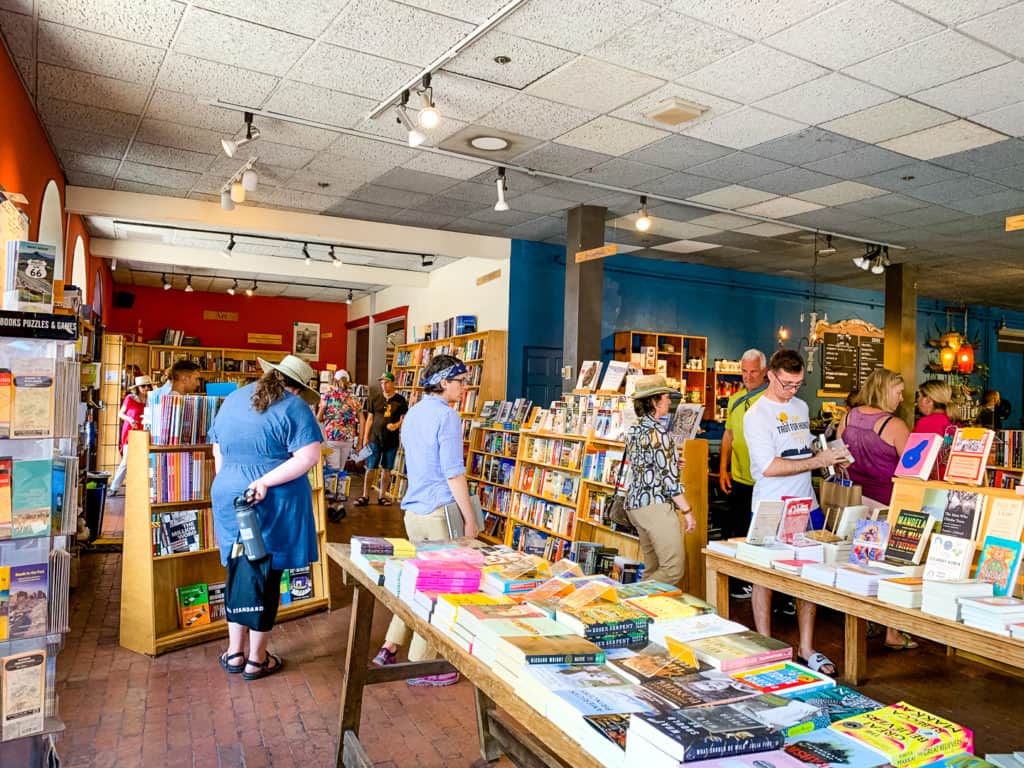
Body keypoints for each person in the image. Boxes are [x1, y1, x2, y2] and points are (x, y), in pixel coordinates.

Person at [208, 355, 322, 680]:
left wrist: (232, 481)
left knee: (238, 568)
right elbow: (309, 456)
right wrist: (263, 482)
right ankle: (256, 660)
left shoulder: (233, 399)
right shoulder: (294, 406)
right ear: (298, 388)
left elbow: (217, 448)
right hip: (273, 498)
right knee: (266, 575)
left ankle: (234, 653)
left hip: (229, 492)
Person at [371, 354, 479, 687]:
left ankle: (391, 644)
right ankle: (422, 663)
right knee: (441, 590)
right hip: (439, 511)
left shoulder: (414, 412)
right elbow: (453, 473)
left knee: (418, 582)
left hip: (413, 511)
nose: (465, 387)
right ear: (444, 382)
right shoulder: (447, 416)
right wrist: (470, 519)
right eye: (460, 381)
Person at [744, 349, 843, 676]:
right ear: (770, 375)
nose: (792, 390)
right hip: (772, 504)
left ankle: (807, 647)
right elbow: (770, 467)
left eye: (798, 384)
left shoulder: (801, 407)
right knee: (764, 575)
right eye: (786, 384)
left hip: (806, 501)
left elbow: (800, 450)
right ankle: (764, 643)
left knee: (808, 573)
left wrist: (826, 452)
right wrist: (818, 462)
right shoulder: (756, 415)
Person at [836, 368, 918, 652]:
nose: (901, 397)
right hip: (886, 506)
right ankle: (892, 632)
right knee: (890, 571)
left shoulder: (848, 417)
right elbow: (912, 470)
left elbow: (838, 458)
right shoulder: (894, 426)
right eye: (898, 391)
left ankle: (861, 623)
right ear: (884, 390)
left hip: (855, 504)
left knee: (860, 568)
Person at [622, 374, 696, 585]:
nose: (669, 401)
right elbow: (669, 481)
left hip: (636, 505)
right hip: (655, 505)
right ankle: (629, 598)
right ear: (654, 401)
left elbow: (647, 465)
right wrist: (687, 511)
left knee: (652, 568)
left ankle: (638, 612)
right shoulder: (658, 433)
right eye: (665, 396)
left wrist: (672, 462)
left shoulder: (635, 429)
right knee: (672, 570)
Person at [718, 349, 768, 598]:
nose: (748, 377)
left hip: (764, 481)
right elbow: (729, 435)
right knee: (736, 530)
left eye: (753, 372)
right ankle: (738, 582)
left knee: (760, 535)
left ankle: (760, 585)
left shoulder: (770, 400)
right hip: (739, 478)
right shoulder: (735, 399)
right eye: (744, 371)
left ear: (765, 372)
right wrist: (723, 469)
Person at [354, 371, 407, 506]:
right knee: (370, 467)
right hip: (375, 439)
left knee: (387, 469)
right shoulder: (374, 399)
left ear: (393, 383)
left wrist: (396, 425)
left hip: (391, 440)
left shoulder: (400, 400)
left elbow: (404, 419)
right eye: (382, 383)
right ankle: (365, 496)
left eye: (387, 382)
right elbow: (369, 419)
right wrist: (365, 437)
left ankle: (382, 496)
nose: (384, 385)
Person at [316, 369, 364, 502]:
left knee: (332, 470)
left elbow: (319, 418)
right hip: (348, 438)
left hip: (331, 437)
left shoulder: (327, 396)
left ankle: (331, 503)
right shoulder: (353, 398)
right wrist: (360, 442)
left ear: (334, 380)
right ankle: (339, 503)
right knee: (341, 470)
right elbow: (362, 419)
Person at [108, 375, 153, 496]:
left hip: (145, 432)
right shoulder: (130, 398)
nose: (146, 388)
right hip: (130, 431)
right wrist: (130, 419)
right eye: (143, 386)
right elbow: (120, 414)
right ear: (137, 388)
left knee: (145, 459)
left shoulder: (151, 399)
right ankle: (114, 487)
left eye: (148, 386)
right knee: (127, 460)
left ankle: (141, 486)